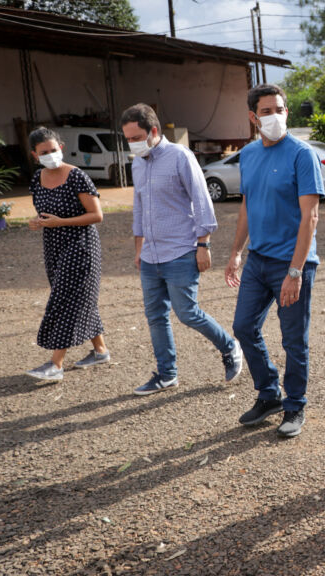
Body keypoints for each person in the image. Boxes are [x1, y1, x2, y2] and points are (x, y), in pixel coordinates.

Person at [122, 103, 242, 396]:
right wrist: (139, 248)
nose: (132, 144)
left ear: (154, 131)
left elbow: (202, 200)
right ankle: (167, 374)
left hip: (181, 251)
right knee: (155, 316)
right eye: (127, 139)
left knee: (187, 312)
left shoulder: (180, 157)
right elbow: (139, 207)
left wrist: (204, 245)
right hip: (151, 255)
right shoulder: (137, 163)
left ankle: (230, 347)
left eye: (137, 137)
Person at [226, 84, 324, 438]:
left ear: (288, 112)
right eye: (265, 112)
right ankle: (270, 394)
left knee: (293, 339)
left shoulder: (301, 154)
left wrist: (296, 271)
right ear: (253, 118)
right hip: (258, 260)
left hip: (292, 264)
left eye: (279, 109)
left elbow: (310, 216)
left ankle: (295, 405)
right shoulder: (249, 155)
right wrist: (236, 252)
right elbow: (247, 207)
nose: (274, 116)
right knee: (243, 327)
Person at [25, 127, 110, 381]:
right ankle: (101, 351)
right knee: (77, 297)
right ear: (34, 155)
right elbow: (45, 213)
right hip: (53, 247)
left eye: (54, 149)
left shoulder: (77, 176)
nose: (51, 154)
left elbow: (97, 216)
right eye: (44, 152)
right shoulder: (37, 179)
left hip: (81, 247)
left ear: (61, 147)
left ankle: (56, 364)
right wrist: (37, 222)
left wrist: (60, 222)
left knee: (65, 300)